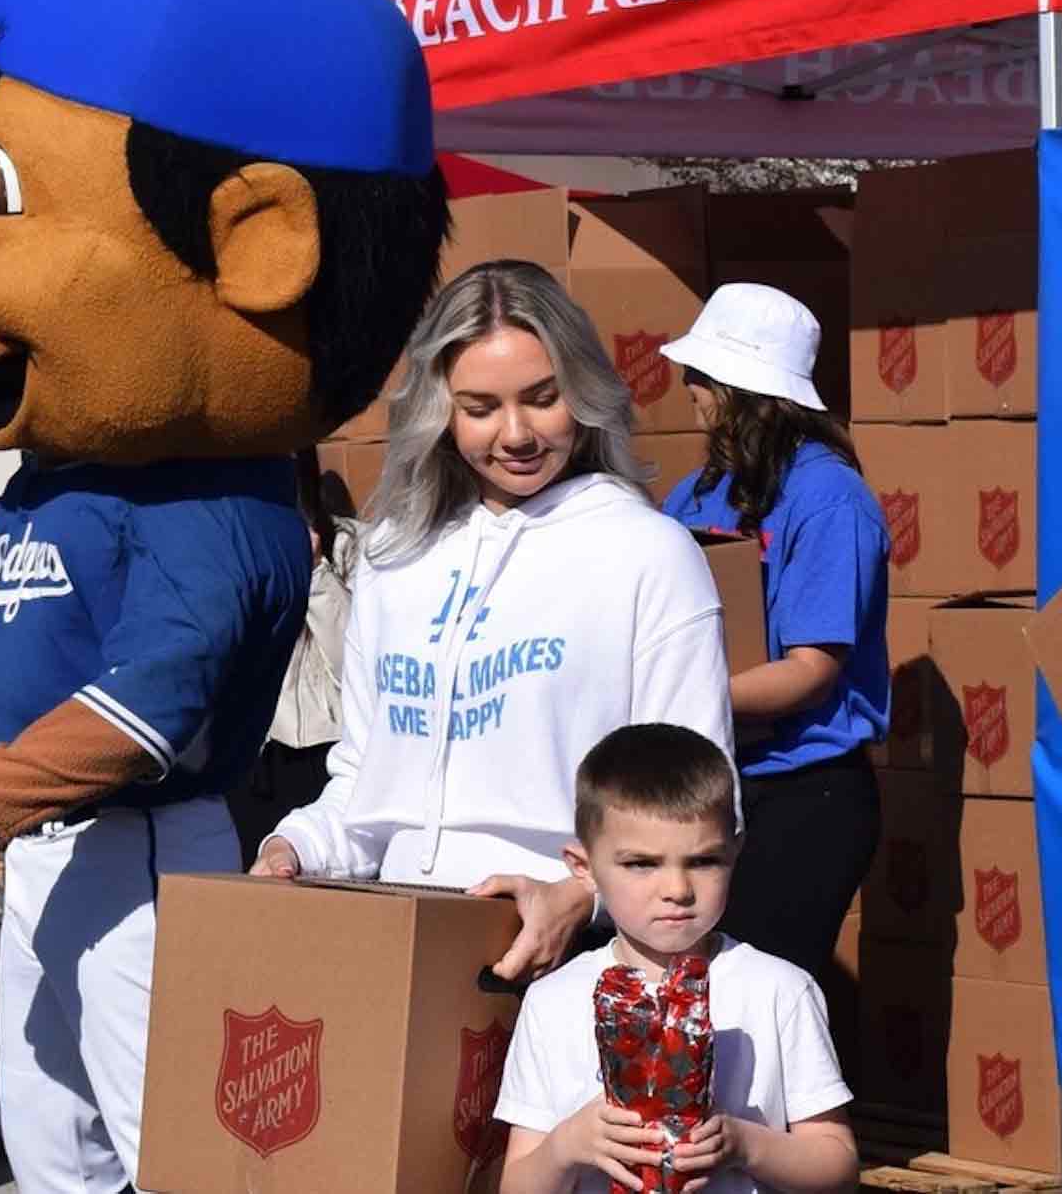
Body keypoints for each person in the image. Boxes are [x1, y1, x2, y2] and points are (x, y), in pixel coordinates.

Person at [0, 0, 453, 1193]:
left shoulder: (216, 502)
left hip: (144, 844)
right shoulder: (67, 473)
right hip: (56, 849)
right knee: (49, 1137)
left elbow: (147, 704)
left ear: (257, 242)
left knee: (164, 1136)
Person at [253, 261, 736, 984]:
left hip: (571, 963)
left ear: (584, 389)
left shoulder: (648, 552)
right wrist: (294, 846)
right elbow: (361, 777)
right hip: (391, 940)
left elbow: (701, 792)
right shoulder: (393, 556)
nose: (516, 433)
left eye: (543, 398)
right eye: (480, 407)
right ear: (438, 411)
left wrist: (582, 894)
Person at [495, 722, 858, 1194]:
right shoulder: (551, 1001)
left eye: (704, 861)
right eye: (641, 864)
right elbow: (515, 1184)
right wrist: (566, 1146)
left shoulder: (780, 990)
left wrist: (747, 1145)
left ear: (736, 851)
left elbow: (838, 1164)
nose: (677, 890)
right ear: (584, 869)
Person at [656, 283, 887, 981]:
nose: (687, 385)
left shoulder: (831, 497)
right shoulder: (692, 493)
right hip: (712, 781)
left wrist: (682, 695)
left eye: (700, 372)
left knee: (761, 1001)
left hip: (805, 793)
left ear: (739, 386)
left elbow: (812, 668)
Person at [226, 447, 362, 863]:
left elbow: (356, 662)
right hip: (252, 755)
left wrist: (316, 569)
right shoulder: (232, 548)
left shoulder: (352, 545)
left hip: (327, 752)